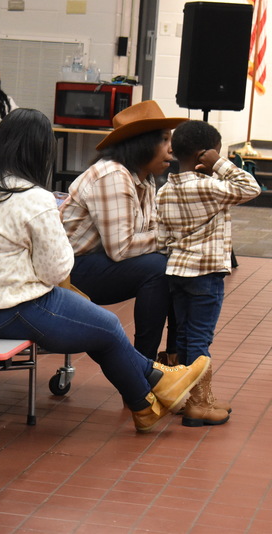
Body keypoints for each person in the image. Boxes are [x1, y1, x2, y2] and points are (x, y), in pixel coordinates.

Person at [0, 108, 211, 432]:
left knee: (102, 328)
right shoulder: (35, 198)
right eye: (164, 140)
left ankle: (145, 404)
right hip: (13, 305)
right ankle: (157, 379)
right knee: (108, 326)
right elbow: (57, 270)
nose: (171, 149)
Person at [60, 100, 188, 360]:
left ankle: (175, 357)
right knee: (158, 268)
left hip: (95, 262)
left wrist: (174, 242)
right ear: (142, 143)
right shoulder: (112, 175)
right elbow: (122, 248)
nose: (171, 149)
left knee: (179, 263)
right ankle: (143, 366)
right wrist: (171, 237)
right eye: (164, 140)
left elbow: (152, 229)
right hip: (68, 272)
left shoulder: (144, 178)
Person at [157, 120, 260, 427]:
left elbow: (162, 239)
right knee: (201, 339)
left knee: (186, 334)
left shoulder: (165, 190)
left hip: (176, 272)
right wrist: (221, 164)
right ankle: (199, 404)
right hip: (206, 275)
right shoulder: (210, 186)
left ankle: (186, 395)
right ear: (207, 153)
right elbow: (251, 187)